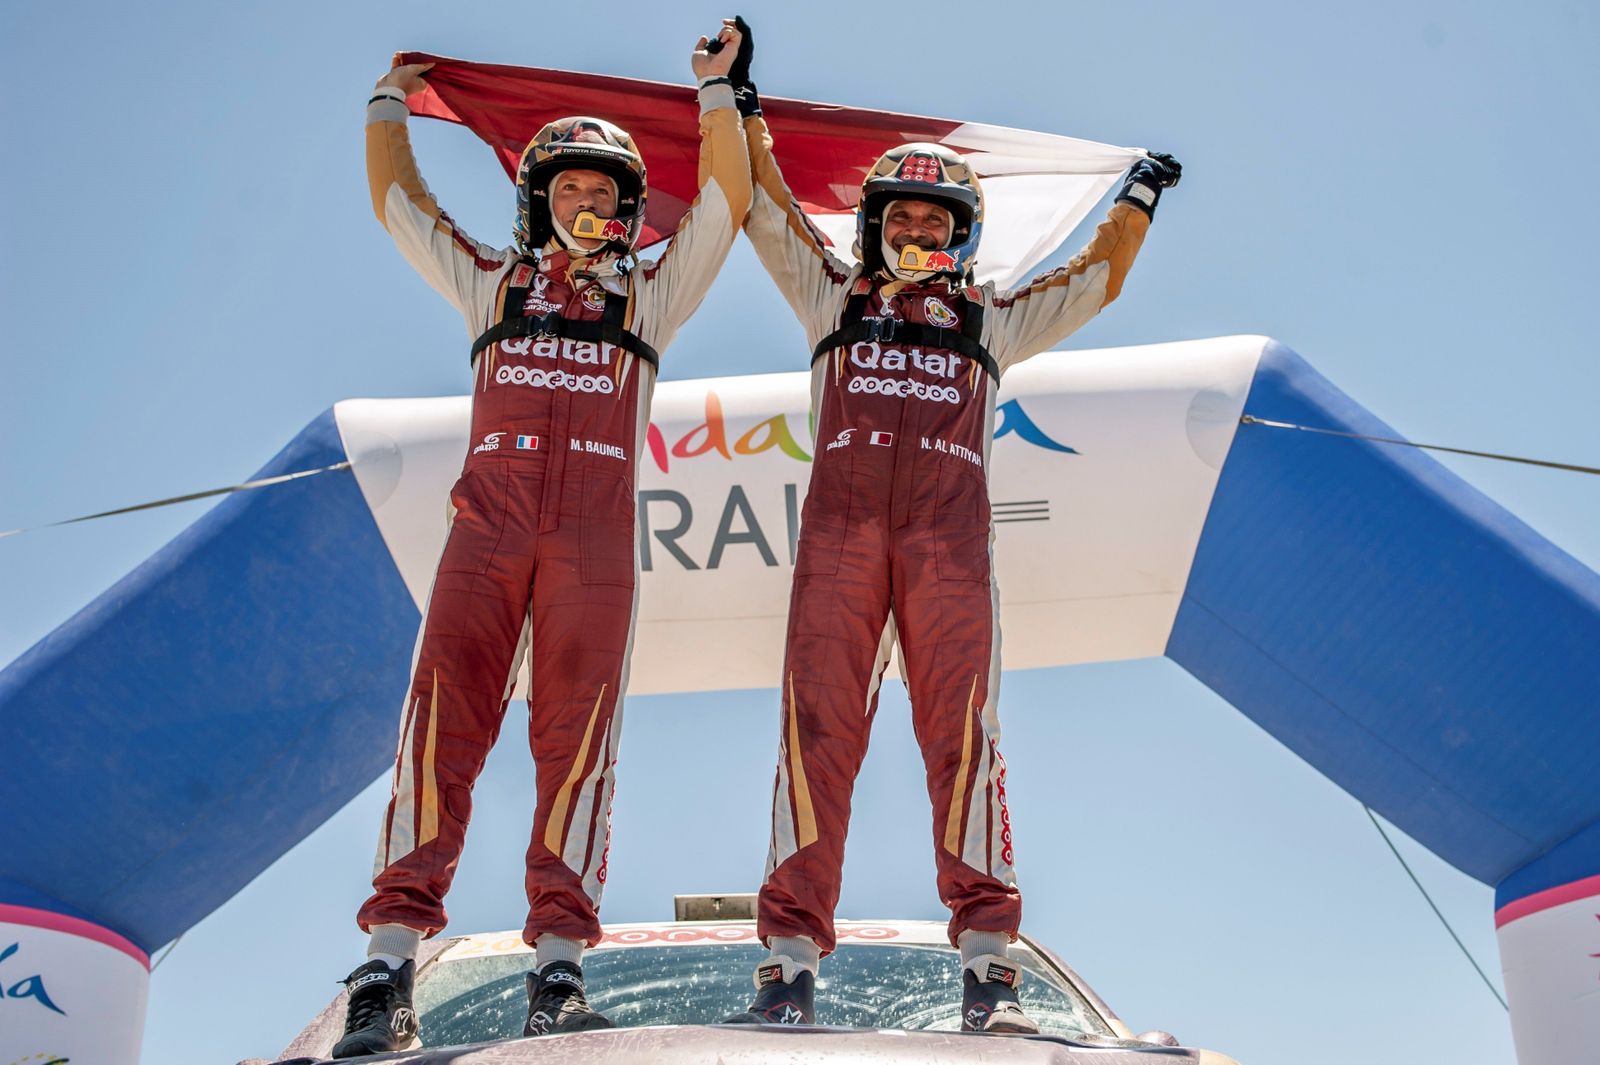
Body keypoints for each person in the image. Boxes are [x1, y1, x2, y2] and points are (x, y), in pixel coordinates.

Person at [717, 21, 1182, 1033]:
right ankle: (787, 968)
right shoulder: (829, 297)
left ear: (963, 236)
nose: (917, 238)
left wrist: (1135, 201)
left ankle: (988, 970)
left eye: (936, 223)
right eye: (901, 222)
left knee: (961, 743)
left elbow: (1095, 280)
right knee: (816, 741)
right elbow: (765, 215)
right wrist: (738, 106)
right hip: (840, 545)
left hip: (949, 551)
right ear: (873, 228)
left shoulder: (989, 322)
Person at [333, 23, 751, 1056]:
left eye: (607, 193)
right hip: (488, 531)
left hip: (593, 543)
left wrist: (717, 93)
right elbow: (402, 208)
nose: (589, 204)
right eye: (569, 188)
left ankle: (557, 969)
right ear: (536, 200)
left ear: (625, 210)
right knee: (443, 734)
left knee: (577, 746)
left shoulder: (649, 298)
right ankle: (387, 970)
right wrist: (389, 105)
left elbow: (727, 206)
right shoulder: (490, 284)